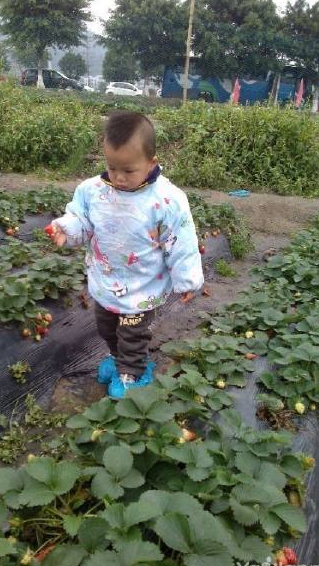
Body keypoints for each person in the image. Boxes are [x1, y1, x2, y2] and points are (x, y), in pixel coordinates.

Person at [48, 111, 204, 399]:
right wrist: (66, 230)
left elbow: (180, 241)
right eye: (112, 167)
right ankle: (117, 357)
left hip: (143, 286)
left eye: (129, 171)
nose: (119, 178)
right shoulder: (93, 191)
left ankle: (133, 372)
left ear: (151, 163)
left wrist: (187, 280)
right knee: (106, 327)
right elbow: (82, 220)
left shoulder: (167, 200)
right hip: (106, 281)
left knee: (132, 335)